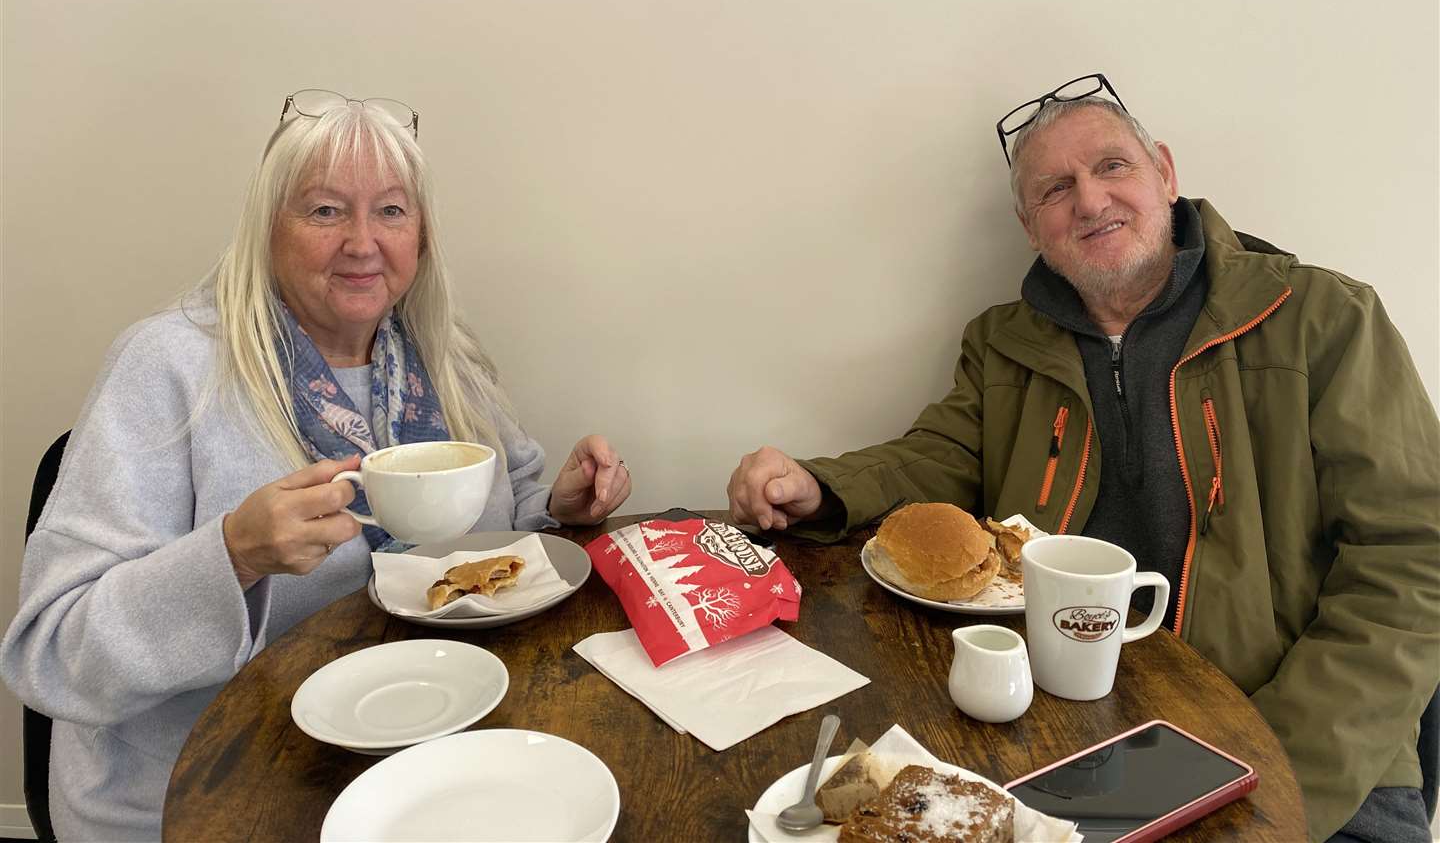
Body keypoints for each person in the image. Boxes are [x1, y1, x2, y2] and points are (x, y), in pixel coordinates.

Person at [725, 74, 1440, 843]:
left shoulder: (1324, 318)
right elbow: (938, 455)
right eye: (1055, 188)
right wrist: (821, 486)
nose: (1091, 202)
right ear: (1030, 225)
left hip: (1305, 749)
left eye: (1113, 167)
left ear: (1165, 172)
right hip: (1058, 734)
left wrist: (1268, 755)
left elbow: (1413, 563)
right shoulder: (1002, 340)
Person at [1, 90, 633, 841]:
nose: (363, 242)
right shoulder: (168, 366)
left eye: (392, 212)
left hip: (430, 749)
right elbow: (51, 653)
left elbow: (500, 531)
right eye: (326, 211)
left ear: (422, 236)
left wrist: (557, 508)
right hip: (215, 787)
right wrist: (230, 555)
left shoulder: (442, 353)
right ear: (268, 230)